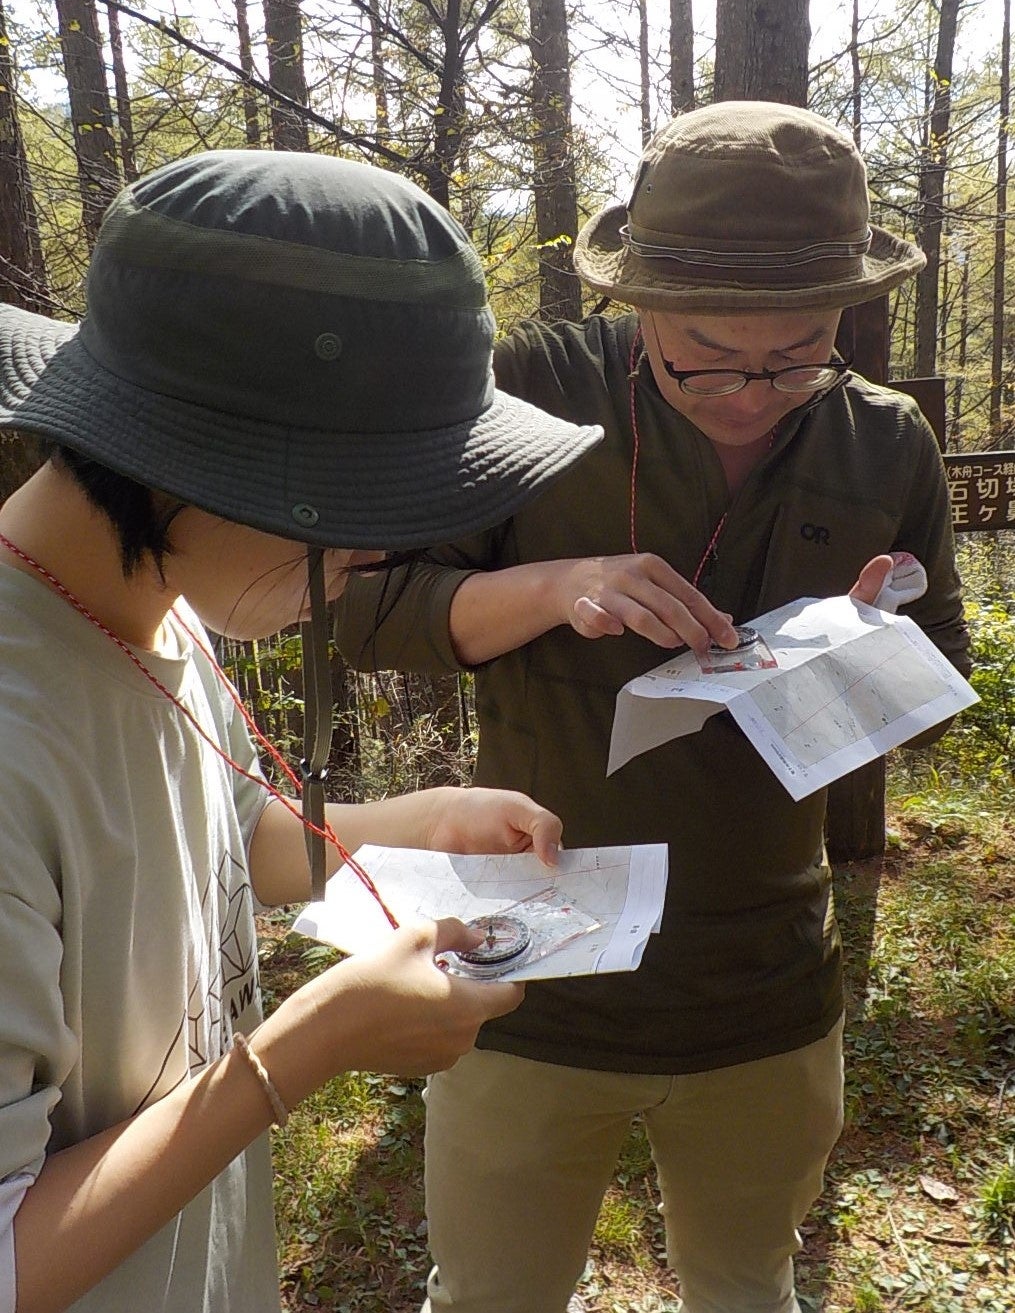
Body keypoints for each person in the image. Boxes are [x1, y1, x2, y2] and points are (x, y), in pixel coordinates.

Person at [332, 101, 971, 1313]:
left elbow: (938, 672)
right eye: (706, 354)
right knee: (490, 1297)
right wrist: (552, 584)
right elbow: (363, 612)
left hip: (763, 986)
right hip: (526, 972)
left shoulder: (884, 440)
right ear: (636, 302)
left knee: (749, 1287)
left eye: (798, 351)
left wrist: (853, 663)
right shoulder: (524, 389)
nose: (751, 392)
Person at [0, 148, 604, 1313]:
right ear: (193, 464)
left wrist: (422, 822)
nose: (378, 554)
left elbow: (233, 841)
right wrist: (306, 1045)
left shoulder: (156, 599)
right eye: (362, 505)